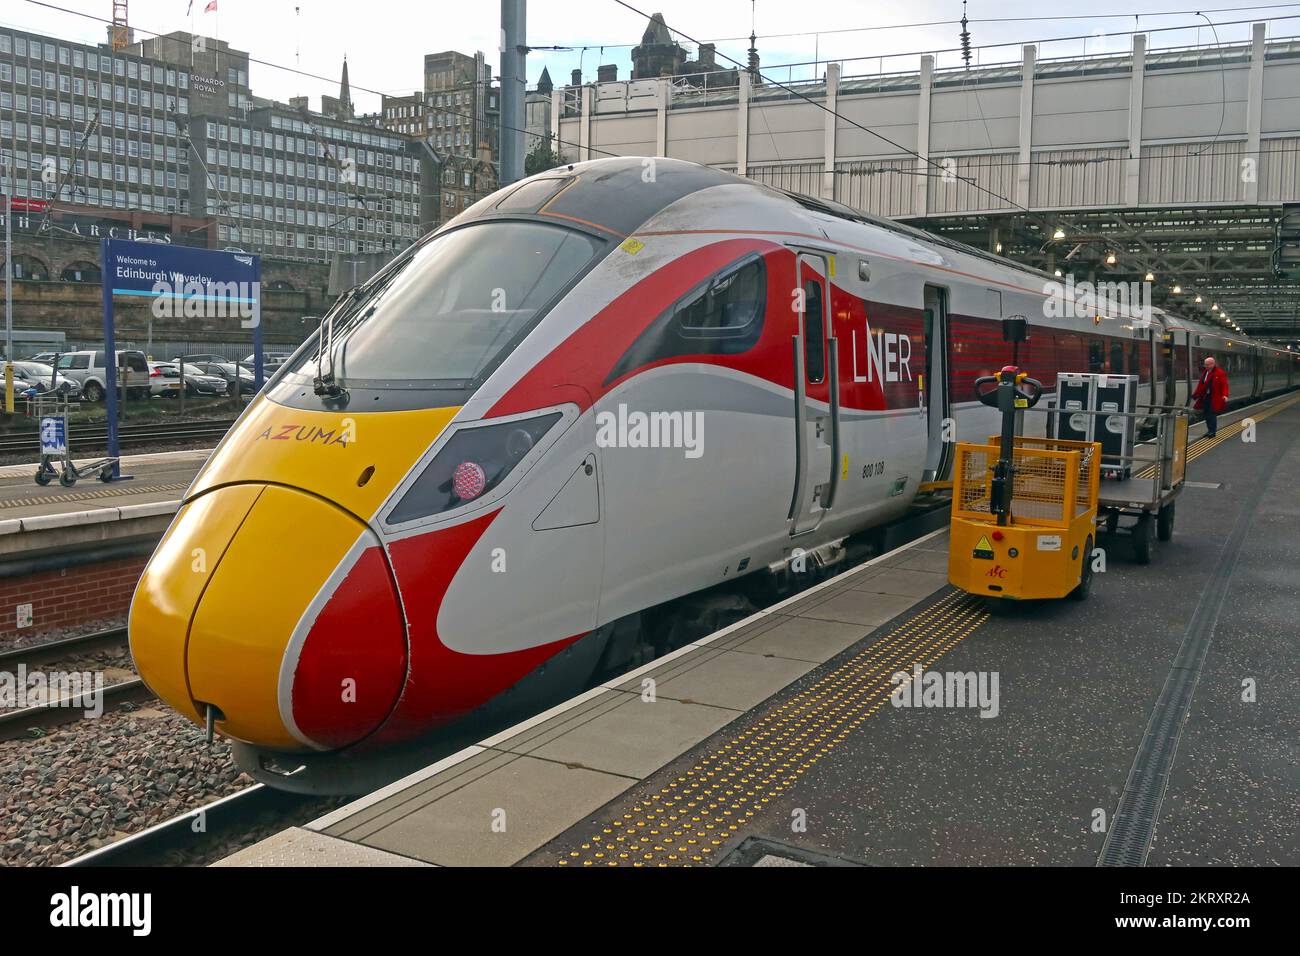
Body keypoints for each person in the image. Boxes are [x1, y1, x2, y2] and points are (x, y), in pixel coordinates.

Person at [1191, 356, 1229, 437]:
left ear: (1213, 364)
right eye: (1205, 365)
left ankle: (1212, 431)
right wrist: (1195, 395)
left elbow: (1224, 385)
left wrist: (1225, 395)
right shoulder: (1205, 373)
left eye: (1207, 365)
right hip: (1205, 397)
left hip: (1214, 398)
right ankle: (1209, 430)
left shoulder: (1220, 373)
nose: (1206, 366)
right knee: (1206, 414)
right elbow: (1201, 385)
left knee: (1212, 414)